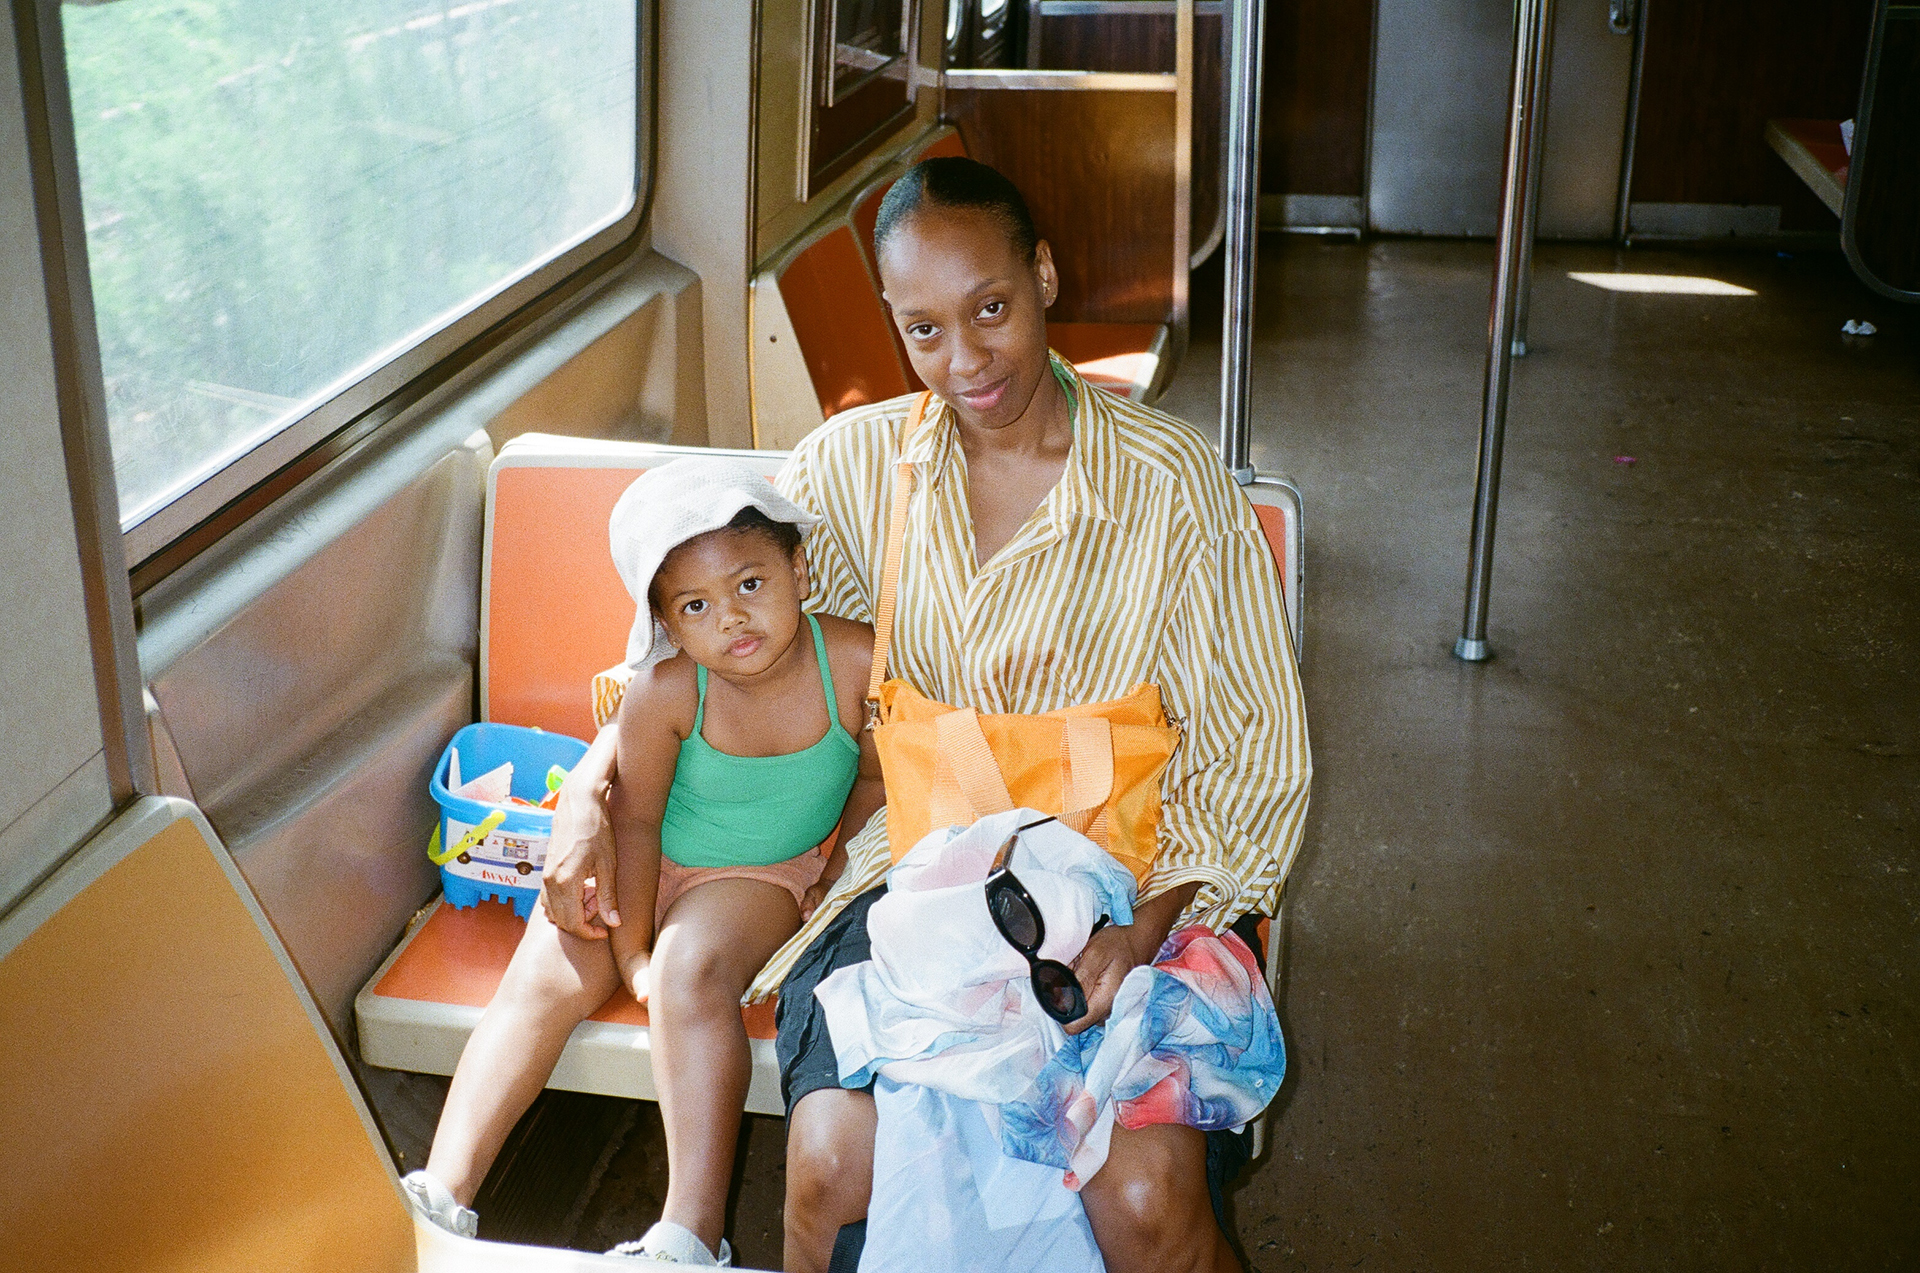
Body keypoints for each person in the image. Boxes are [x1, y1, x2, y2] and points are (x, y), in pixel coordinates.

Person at [541, 157, 1311, 1273]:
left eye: (992, 309)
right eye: (924, 330)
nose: (967, 360)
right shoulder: (853, 473)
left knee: (1142, 1198)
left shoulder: (1171, 485)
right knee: (829, 1160)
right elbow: (688, 667)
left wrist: (1138, 932)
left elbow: (1251, 761)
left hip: (1141, 880)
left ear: (1043, 275)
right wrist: (582, 794)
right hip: (905, 886)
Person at [405, 460, 884, 1266]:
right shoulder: (667, 692)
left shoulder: (852, 663)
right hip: (648, 856)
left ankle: (691, 1232)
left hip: (759, 875)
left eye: (751, 583)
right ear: (666, 623)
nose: (732, 618)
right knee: (545, 974)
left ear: (799, 570)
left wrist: (835, 879)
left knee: (690, 968)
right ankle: (442, 1192)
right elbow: (637, 817)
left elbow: (871, 778)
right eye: (696, 605)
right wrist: (626, 944)